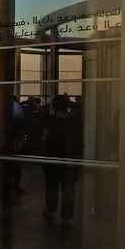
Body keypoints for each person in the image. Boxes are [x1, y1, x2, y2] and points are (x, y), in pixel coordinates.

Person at [42, 95, 83, 228]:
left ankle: (50, 210)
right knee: (69, 189)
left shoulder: (50, 120)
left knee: (52, 187)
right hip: (70, 160)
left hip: (53, 159)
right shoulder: (74, 120)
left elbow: (45, 138)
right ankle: (66, 218)